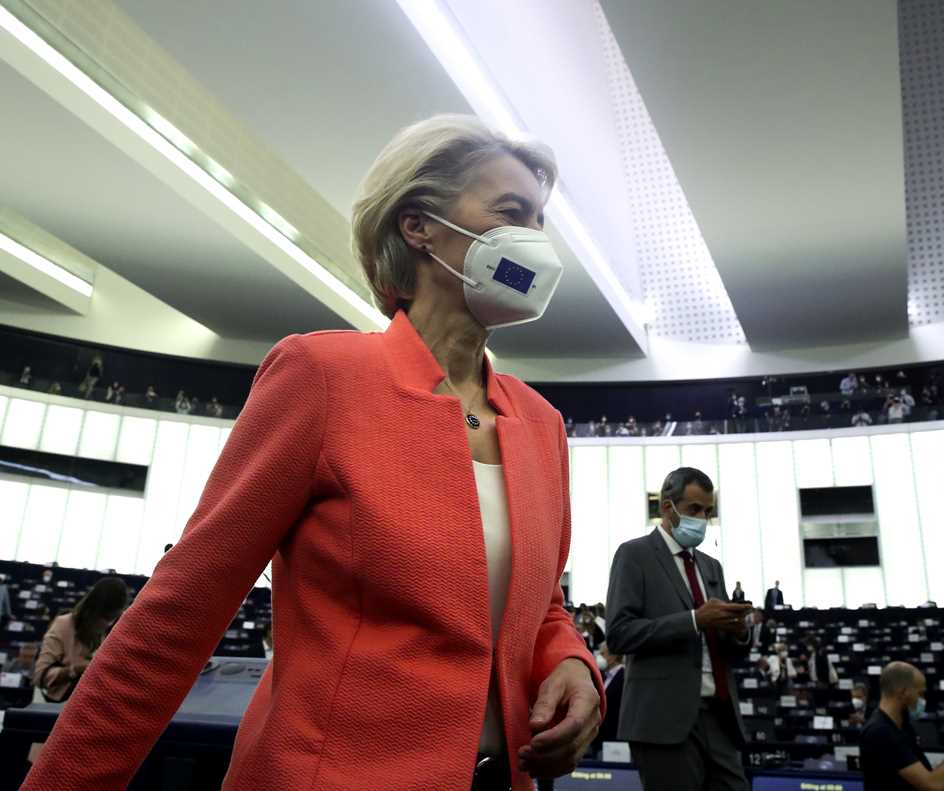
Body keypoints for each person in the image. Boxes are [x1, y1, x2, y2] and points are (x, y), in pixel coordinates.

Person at [23, 115, 603, 791]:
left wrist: (570, 661)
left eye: (538, 221)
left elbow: (540, 607)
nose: (534, 241)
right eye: (512, 214)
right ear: (418, 226)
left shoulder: (542, 425)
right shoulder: (322, 376)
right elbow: (181, 609)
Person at [607, 467, 753, 791]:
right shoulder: (634, 555)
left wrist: (739, 630)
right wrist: (694, 620)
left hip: (719, 715)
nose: (702, 518)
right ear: (666, 508)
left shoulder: (711, 565)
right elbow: (619, 634)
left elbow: (727, 643)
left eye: (708, 511)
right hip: (662, 719)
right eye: (694, 510)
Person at [860, 662, 944, 791]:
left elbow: (928, 774)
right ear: (903, 692)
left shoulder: (902, 727)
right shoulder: (880, 731)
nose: (923, 700)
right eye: (920, 694)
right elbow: (933, 786)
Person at [32, 577, 129, 703]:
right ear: (92, 609)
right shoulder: (64, 624)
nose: (108, 623)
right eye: (105, 617)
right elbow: (40, 677)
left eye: (113, 618)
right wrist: (77, 670)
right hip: (62, 705)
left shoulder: (118, 629)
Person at [593, 643, 625, 748]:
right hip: (600, 737)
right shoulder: (603, 676)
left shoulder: (624, 676)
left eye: (603, 653)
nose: (599, 657)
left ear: (614, 655)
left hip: (615, 738)